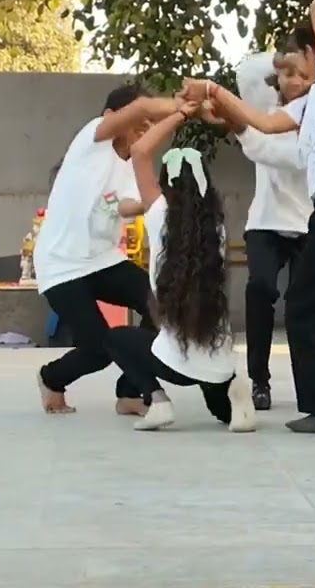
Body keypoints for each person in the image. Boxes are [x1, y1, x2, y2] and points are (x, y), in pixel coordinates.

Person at [183, 0, 315, 434]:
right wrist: (214, 93)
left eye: (298, 62)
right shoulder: (312, 103)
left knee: (302, 307)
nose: (288, 75)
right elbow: (261, 122)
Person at [101, 99, 256, 432]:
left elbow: (140, 151)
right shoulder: (216, 228)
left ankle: (157, 401)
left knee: (115, 338)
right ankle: (235, 391)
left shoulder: (158, 212)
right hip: (217, 368)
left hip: (172, 363)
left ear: (165, 183)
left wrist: (181, 113)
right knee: (222, 414)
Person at [34, 84, 183, 415]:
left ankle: (129, 393)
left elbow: (126, 206)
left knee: (163, 303)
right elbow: (141, 107)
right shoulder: (92, 139)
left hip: (102, 260)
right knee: (99, 349)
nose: (144, 128)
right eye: (139, 121)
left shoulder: (133, 164)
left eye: (149, 125)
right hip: (61, 265)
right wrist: (183, 106)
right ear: (111, 117)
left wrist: (158, 201)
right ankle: (51, 378)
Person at [229, 51, 313, 410]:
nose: (295, 81)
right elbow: (246, 72)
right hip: (266, 221)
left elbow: (285, 156)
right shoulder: (264, 105)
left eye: (304, 76)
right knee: (260, 289)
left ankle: (310, 382)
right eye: (288, 74)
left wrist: (244, 133)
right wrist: (286, 57)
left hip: (309, 224)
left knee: (303, 305)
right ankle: (258, 381)